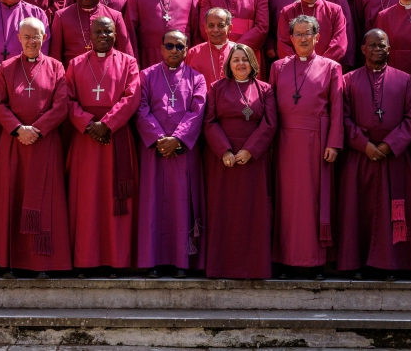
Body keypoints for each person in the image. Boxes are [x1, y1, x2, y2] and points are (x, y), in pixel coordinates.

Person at [0, 17, 72, 277]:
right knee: (12, 197)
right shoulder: (6, 68)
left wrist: (38, 130)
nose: (32, 42)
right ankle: (11, 260)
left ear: (44, 38)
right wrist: (19, 129)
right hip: (14, 144)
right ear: (19, 39)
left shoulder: (56, 67)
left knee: (46, 201)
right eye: (27, 37)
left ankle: (42, 263)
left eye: (37, 37)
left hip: (45, 143)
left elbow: (61, 105)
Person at [337, 29, 411, 280]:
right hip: (360, 157)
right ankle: (357, 264)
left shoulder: (405, 80)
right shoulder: (348, 80)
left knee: (395, 209)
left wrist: (389, 144)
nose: (377, 49)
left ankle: (392, 264)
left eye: (382, 45)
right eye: (372, 45)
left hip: (394, 158)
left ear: (389, 49)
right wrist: (364, 145)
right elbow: (342, 117)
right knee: (358, 209)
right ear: (362, 49)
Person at [66, 16, 141, 277]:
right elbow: (68, 98)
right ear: (90, 34)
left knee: (115, 201)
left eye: (107, 31)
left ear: (115, 34)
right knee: (87, 200)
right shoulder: (76, 64)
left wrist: (107, 124)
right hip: (86, 141)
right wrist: (88, 123)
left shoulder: (128, 63)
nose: (103, 36)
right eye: (98, 31)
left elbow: (132, 96)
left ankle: (116, 260)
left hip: (115, 137)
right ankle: (86, 260)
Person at [270, 15, 343, 280]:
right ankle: (286, 261)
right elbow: (271, 109)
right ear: (290, 38)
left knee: (313, 201)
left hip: (317, 142)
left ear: (316, 37)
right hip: (285, 142)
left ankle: (314, 262)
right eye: (297, 34)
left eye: (307, 33)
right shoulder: (278, 67)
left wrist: (334, 143)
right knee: (286, 202)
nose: (302, 38)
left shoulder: (332, 67)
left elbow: (337, 109)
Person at [136, 30, 207, 278]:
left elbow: (197, 111)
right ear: (161, 48)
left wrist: (177, 139)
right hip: (154, 151)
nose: (174, 50)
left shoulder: (197, 78)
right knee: (152, 203)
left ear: (187, 49)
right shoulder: (146, 76)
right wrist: (158, 138)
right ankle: (152, 261)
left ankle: (181, 262)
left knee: (180, 204)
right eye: (170, 45)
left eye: (180, 46)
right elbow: (141, 108)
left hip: (182, 152)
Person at [203, 43, 276, 278]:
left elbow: (270, 123)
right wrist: (224, 151)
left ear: (253, 63)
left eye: (245, 59)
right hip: (222, 159)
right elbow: (210, 122)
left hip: (254, 159)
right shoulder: (216, 88)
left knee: (252, 213)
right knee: (223, 211)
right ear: (229, 64)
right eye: (235, 59)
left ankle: (253, 267)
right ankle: (221, 267)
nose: (240, 64)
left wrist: (249, 151)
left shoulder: (265, 89)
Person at [200, 0, 268, 77]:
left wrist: (237, 50)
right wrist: (223, 48)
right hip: (217, 53)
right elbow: (204, 26)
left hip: (248, 53)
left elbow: (262, 28)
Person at [50, 0, 133, 67]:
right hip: (72, 75)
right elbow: (55, 54)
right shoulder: (61, 16)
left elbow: (126, 52)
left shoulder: (115, 16)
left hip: (107, 72)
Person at [277, 0, 348, 65]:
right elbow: (284, 46)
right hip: (296, 70)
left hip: (327, 69)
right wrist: (299, 66)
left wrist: (320, 66)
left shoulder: (335, 10)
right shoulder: (287, 12)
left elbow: (339, 44)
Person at [185, 7, 234, 91]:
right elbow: (186, 84)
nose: (215, 30)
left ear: (229, 28)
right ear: (205, 28)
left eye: (221, 25)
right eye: (211, 26)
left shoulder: (238, 52)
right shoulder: (193, 53)